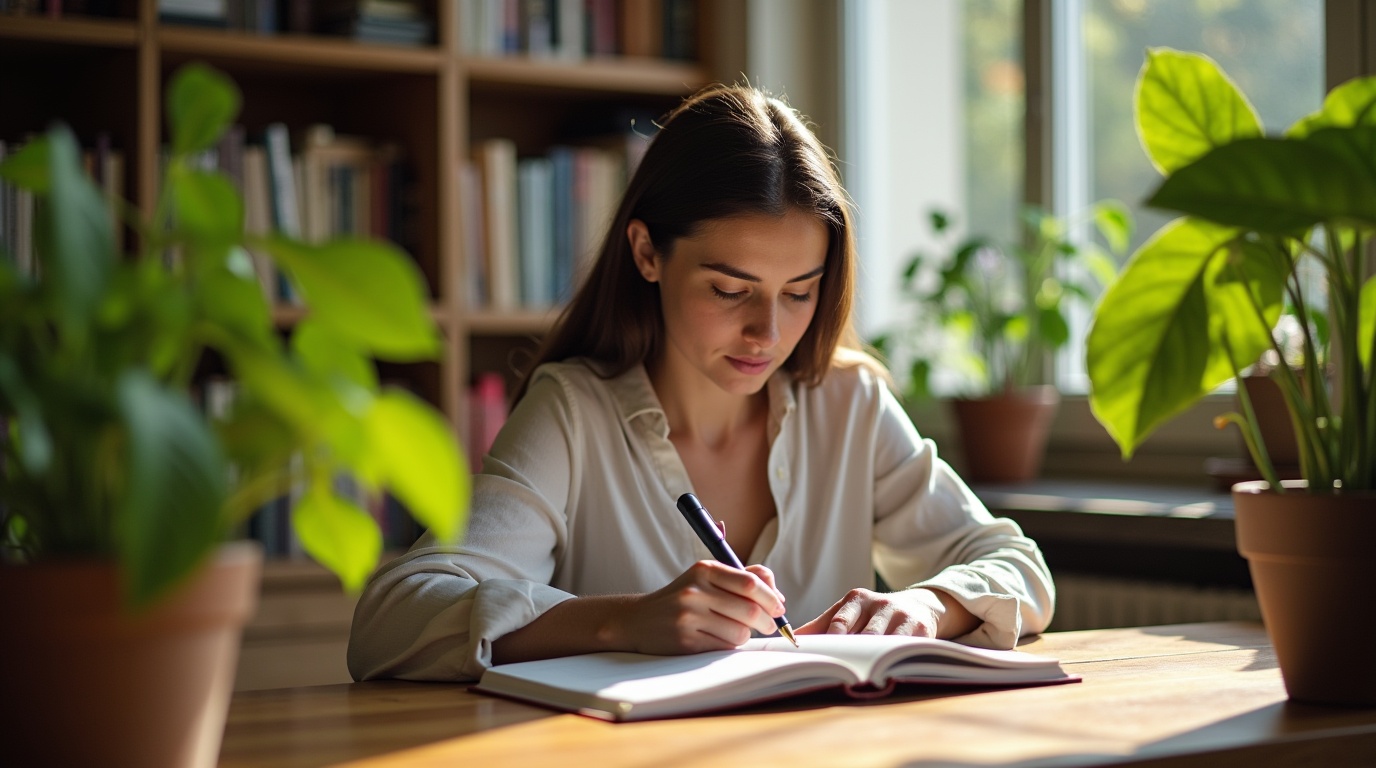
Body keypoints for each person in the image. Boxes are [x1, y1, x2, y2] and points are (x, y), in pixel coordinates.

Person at [347, 84, 1054, 682]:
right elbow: (390, 621)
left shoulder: (850, 404)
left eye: (800, 292)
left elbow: (1017, 564)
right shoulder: (575, 413)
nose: (768, 334)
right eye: (729, 289)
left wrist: (932, 605)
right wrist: (620, 621)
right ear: (648, 252)